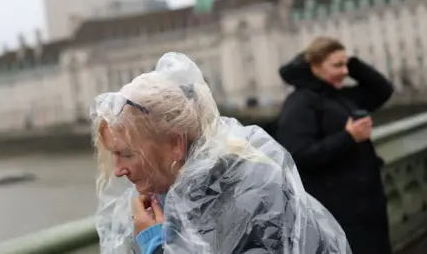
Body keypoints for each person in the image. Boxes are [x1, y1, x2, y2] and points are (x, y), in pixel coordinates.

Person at [90, 52, 351, 254]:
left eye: (127, 154)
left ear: (175, 144)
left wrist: (157, 246)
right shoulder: (172, 197)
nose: (117, 170)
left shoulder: (249, 196)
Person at [275, 37, 394, 254]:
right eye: (337, 65)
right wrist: (348, 137)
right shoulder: (300, 103)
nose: (344, 71)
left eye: (345, 65)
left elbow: (382, 90)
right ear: (315, 67)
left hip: (366, 206)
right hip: (339, 210)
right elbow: (298, 155)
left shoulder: (340, 96)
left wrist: (353, 64)